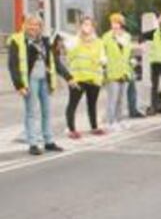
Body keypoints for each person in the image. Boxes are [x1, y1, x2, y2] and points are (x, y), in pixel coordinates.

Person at [7, 15, 73, 155]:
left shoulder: (45, 41)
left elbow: (55, 61)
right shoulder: (17, 40)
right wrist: (19, 85)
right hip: (29, 81)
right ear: (25, 25)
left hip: (45, 80)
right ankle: (33, 144)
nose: (33, 27)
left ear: (40, 27)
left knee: (47, 111)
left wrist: (68, 77)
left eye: (37, 25)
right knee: (32, 112)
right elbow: (13, 65)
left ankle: (48, 141)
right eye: (30, 24)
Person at [66, 16, 106, 139]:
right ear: (80, 26)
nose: (87, 27)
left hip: (94, 78)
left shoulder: (99, 42)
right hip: (78, 77)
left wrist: (103, 61)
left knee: (92, 104)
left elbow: (103, 57)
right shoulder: (74, 40)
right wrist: (79, 38)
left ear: (93, 27)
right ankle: (71, 129)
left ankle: (94, 127)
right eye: (84, 24)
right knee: (73, 104)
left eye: (89, 24)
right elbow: (69, 54)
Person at [101, 13, 133, 130]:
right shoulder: (106, 37)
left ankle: (121, 120)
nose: (114, 25)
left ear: (121, 24)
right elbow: (101, 51)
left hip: (124, 71)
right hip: (112, 71)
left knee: (122, 98)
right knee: (112, 98)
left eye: (117, 23)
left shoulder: (127, 37)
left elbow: (129, 52)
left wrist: (131, 62)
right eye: (113, 23)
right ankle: (110, 121)